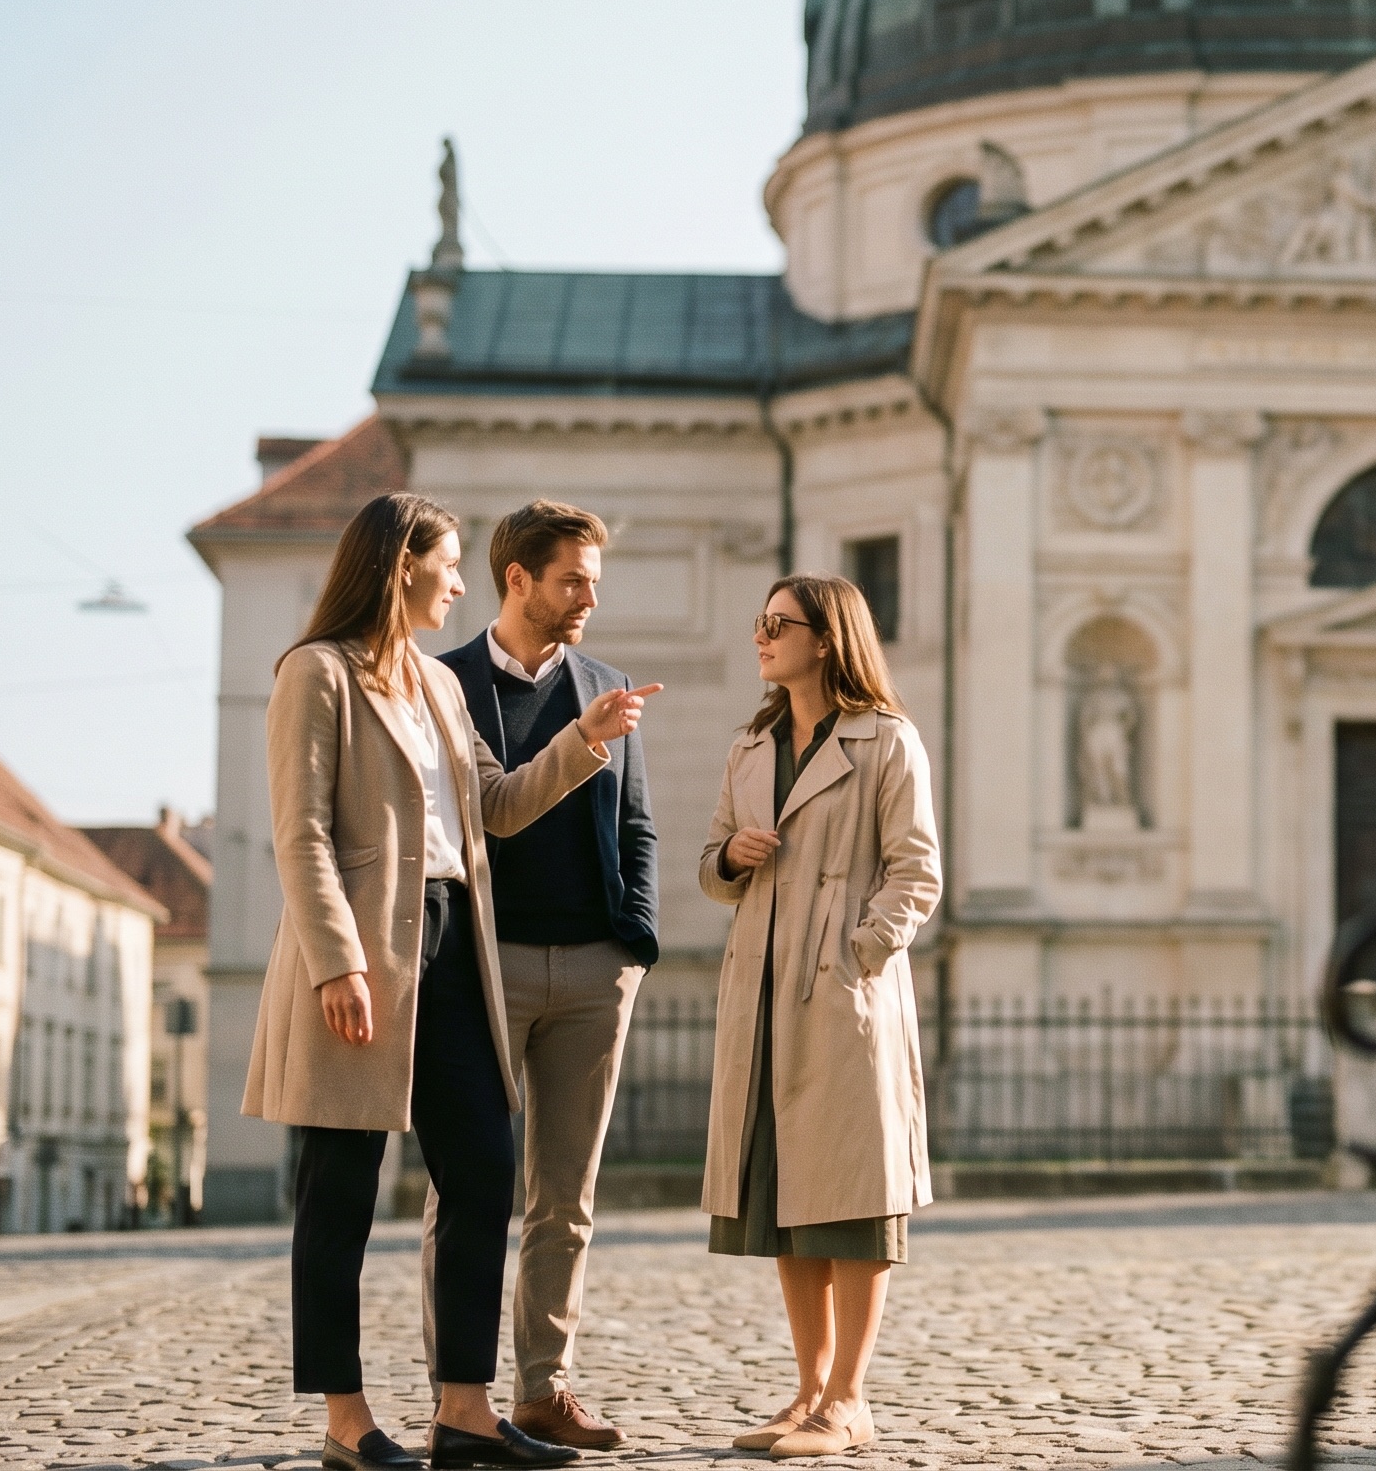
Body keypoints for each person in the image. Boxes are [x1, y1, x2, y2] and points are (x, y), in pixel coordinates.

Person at [240, 492, 660, 1471]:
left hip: (452, 945)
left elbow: (500, 808)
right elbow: (299, 830)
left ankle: (464, 1410)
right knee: (340, 1188)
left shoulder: (437, 685)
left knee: (481, 1171)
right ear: (402, 568)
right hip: (359, 952)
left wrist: (585, 741)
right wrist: (336, 958)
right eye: (450, 565)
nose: (462, 583)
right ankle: (347, 1420)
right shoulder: (317, 673)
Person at [431, 502, 658, 1452]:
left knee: (566, 1195)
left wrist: (633, 941)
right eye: (573, 581)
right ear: (517, 578)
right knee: (469, 1186)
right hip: (487, 965)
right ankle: (461, 1394)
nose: (589, 601)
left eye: (595, 583)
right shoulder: (444, 685)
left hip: (594, 970)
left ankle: (543, 1387)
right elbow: (468, 819)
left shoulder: (606, 685)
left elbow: (636, 827)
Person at [699, 574, 941, 1460]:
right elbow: (708, 864)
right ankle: (805, 1394)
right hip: (761, 991)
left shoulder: (888, 741)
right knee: (785, 1199)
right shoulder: (752, 743)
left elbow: (917, 874)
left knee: (852, 1200)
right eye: (757, 621)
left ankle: (849, 1399)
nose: (761, 636)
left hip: (841, 999)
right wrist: (730, 854)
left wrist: (859, 955)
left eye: (778, 624)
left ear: (828, 638)